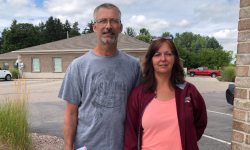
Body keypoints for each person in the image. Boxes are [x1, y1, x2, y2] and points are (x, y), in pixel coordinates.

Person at [58, 3, 142, 150]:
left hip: (123, 146)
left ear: (120, 28)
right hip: (86, 146)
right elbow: (71, 113)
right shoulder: (78, 66)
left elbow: (139, 112)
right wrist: (67, 147)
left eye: (113, 21)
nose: (108, 26)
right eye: (103, 21)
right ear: (95, 27)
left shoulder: (133, 66)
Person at [124, 37, 207, 150]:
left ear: (174, 58)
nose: (163, 59)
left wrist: (187, 141)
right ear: (151, 60)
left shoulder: (189, 92)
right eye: (157, 55)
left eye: (168, 54)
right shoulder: (137, 95)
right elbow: (130, 137)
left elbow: (200, 124)